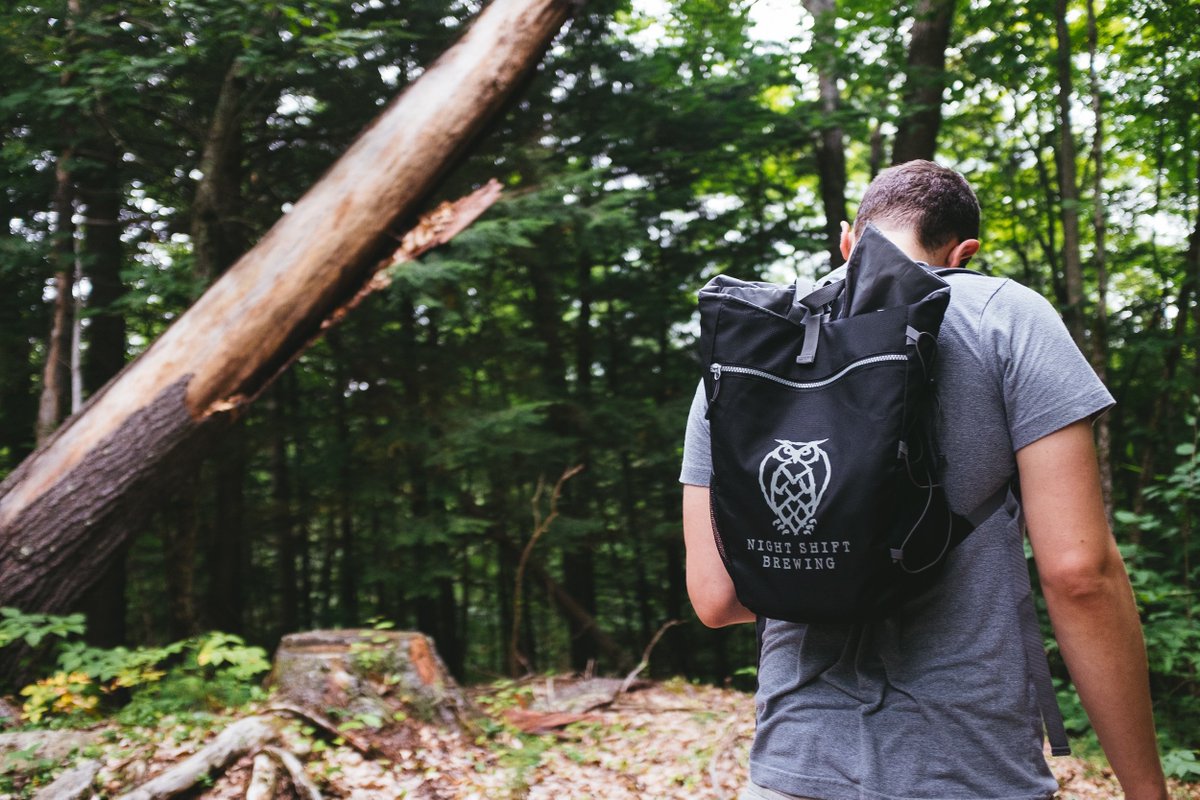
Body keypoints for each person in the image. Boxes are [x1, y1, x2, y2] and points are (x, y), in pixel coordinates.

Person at [679, 160, 1168, 800]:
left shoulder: (752, 347)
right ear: (966, 253)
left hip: (791, 768)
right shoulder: (1007, 317)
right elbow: (1080, 576)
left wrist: (823, 565)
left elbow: (716, 600)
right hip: (970, 768)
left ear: (849, 245)